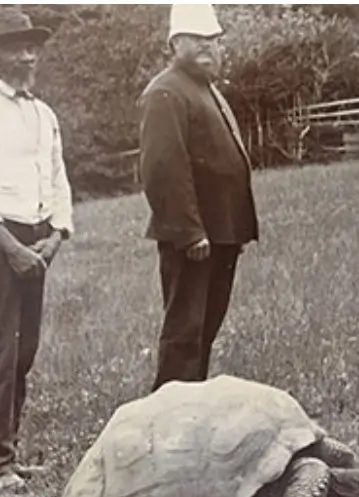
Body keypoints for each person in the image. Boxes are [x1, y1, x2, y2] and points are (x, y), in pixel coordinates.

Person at [0, 7, 74, 493]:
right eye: (17, 45)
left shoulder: (42, 112)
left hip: (37, 239)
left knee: (23, 350)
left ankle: (5, 453)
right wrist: (9, 246)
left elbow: (57, 178)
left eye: (33, 45)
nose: (29, 54)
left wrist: (56, 235)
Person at [138, 4, 259, 392]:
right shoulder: (165, 92)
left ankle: (191, 412)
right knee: (184, 336)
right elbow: (163, 169)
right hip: (194, 238)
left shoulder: (207, 90)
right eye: (197, 39)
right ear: (176, 44)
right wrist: (190, 232)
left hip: (222, 232)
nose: (208, 47)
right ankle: (168, 421)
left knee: (204, 331)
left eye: (213, 40)